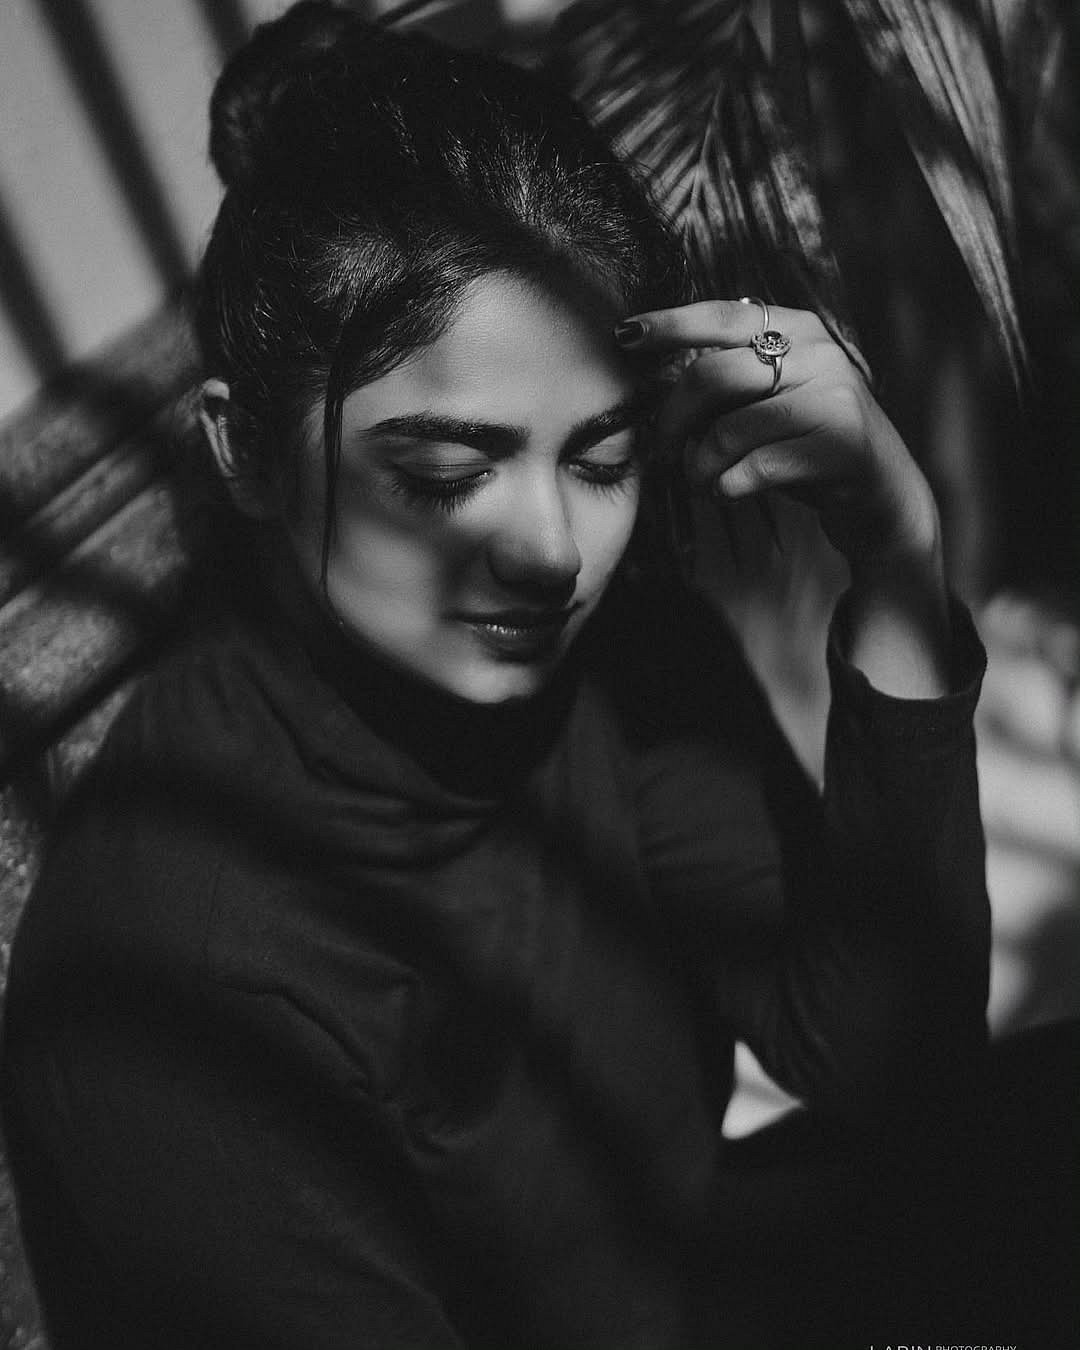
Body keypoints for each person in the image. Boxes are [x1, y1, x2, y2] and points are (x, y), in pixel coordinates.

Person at [5, 3, 1061, 1347]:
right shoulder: (188, 977)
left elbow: (885, 1058)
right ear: (247, 452)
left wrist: (898, 556)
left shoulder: (611, 652)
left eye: (603, 459)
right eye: (449, 472)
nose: (554, 550)